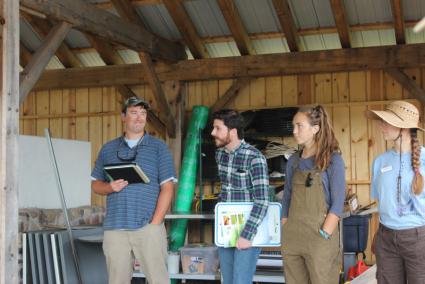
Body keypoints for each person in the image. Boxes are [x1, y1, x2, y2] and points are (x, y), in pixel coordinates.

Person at [91, 96, 176, 284]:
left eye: (143, 113)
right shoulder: (108, 149)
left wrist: (155, 223)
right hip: (115, 228)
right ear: (123, 116)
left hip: (147, 226)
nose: (139, 118)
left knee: (158, 280)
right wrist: (109, 187)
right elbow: (96, 184)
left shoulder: (158, 148)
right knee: (116, 281)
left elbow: (167, 188)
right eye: (134, 113)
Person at [281, 105, 345, 284]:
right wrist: (285, 223)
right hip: (293, 236)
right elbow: (287, 195)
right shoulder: (293, 161)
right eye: (293, 125)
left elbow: (338, 202)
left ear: (315, 129)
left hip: (319, 238)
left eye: (299, 126)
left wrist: (325, 233)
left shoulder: (333, 160)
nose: (294, 131)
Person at [367, 100, 425, 284]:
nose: (381, 125)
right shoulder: (380, 162)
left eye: (386, 121)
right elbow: (382, 204)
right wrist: (380, 235)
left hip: (419, 240)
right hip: (386, 238)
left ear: (404, 128)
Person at [211, 109, 270, 284]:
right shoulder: (220, 154)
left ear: (233, 132)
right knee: (228, 281)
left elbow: (263, 200)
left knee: (240, 282)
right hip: (226, 229)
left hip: (248, 231)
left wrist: (247, 235)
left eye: (217, 128)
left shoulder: (255, 157)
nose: (213, 132)